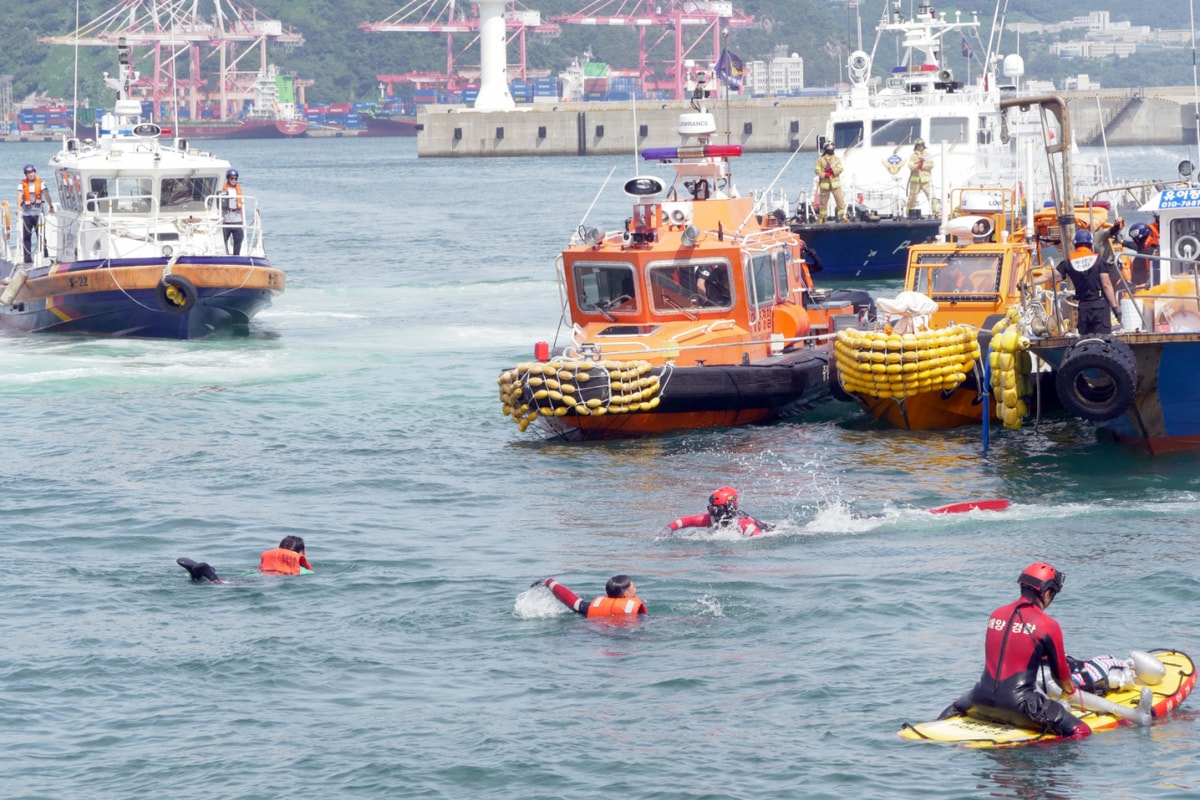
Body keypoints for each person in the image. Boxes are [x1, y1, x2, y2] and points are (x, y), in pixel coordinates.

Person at [936, 562, 1092, 740]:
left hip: (979, 700)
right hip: (1020, 706)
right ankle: (1039, 748)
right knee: (1082, 731)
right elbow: (1061, 677)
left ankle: (934, 724)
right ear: (1046, 592)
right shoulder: (1048, 625)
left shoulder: (996, 614)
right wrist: (1072, 693)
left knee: (956, 706)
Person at [1036, 229, 1121, 334]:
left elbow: (1048, 276)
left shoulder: (1068, 263)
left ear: (1074, 244)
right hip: (1100, 305)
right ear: (1091, 244)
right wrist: (1115, 308)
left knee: (1086, 340)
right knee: (1103, 339)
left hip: (1084, 307)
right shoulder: (1099, 261)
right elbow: (1106, 285)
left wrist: (1028, 283)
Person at [177, 535, 313, 583]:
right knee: (223, 584)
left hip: (256, 575)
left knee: (231, 581)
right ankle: (211, 576)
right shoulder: (304, 573)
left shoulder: (267, 565)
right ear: (301, 553)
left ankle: (201, 576)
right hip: (268, 582)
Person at [664, 486, 772, 537]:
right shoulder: (715, 518)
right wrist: (669, 528)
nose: (711, 513)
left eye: (715, 510)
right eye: (710, 509)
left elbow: (763, 540)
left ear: (727, 509)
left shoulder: (744, 525)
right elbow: (688, 521)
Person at [538, 574, 647, 618]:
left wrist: (549, 582)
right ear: (627, 594)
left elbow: (570, 599)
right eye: (634, 586)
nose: (636, 588)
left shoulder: (590, 608)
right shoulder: (637, 614)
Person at [18, 164, 54, 264]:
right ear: (26, 174)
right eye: (29, 173)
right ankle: (27, 258)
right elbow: (19, 196)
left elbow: (46, 195)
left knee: (41, 235)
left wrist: (51, 206)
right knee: (26, 237)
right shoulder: (22, 184)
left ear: (35, 172)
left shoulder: (41, 183)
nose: (31, 174)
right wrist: (18, 207)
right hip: (26, 214)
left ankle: (45, 255)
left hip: (38, 214)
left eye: (32, 172)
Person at [813, 142, 845, 223]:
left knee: (840, 202)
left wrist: (832, 171)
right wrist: (824, 174)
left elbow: (840, 169)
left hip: (835, 185)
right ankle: (822, 218)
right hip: (825, 185)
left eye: (832, 147)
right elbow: (817, 171)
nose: (831, 148)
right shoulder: (820, 160)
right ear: (826, 148)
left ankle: (841, 217)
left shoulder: (836, 159)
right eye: (829, 147)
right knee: (823, 203)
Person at [906, 140, 935, 217]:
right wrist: (917, 166)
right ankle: (909, 214)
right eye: (918, 145)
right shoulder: (913, 156)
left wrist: (922, 165)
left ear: (924, 146)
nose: (920, 147)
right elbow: (910, 166)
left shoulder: (928, 155)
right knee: (912, 199)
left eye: (921, 145)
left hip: (926, 181)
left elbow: (931, 165)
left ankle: (936, 212)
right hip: (915, 182)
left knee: (932, 197)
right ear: (916, 146)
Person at [221, 168, 245, 255]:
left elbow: (241, 205)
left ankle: (236, 256)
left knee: (238, 238)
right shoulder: (223, 190)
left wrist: (242, 218)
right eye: (232, 178)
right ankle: (224, 254)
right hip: (227, 218)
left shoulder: (239, 190)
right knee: (223, 239)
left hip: (237, 218)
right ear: (228, 179)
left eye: (235, 179)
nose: (234, 180)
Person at [1125, 221, 1156, 287]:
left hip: (1145, 284)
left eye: (1134, 239)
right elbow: (1136, 246)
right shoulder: (1152, 245)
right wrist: (1123, 242)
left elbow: (1139, 248)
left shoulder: (1143, 255)